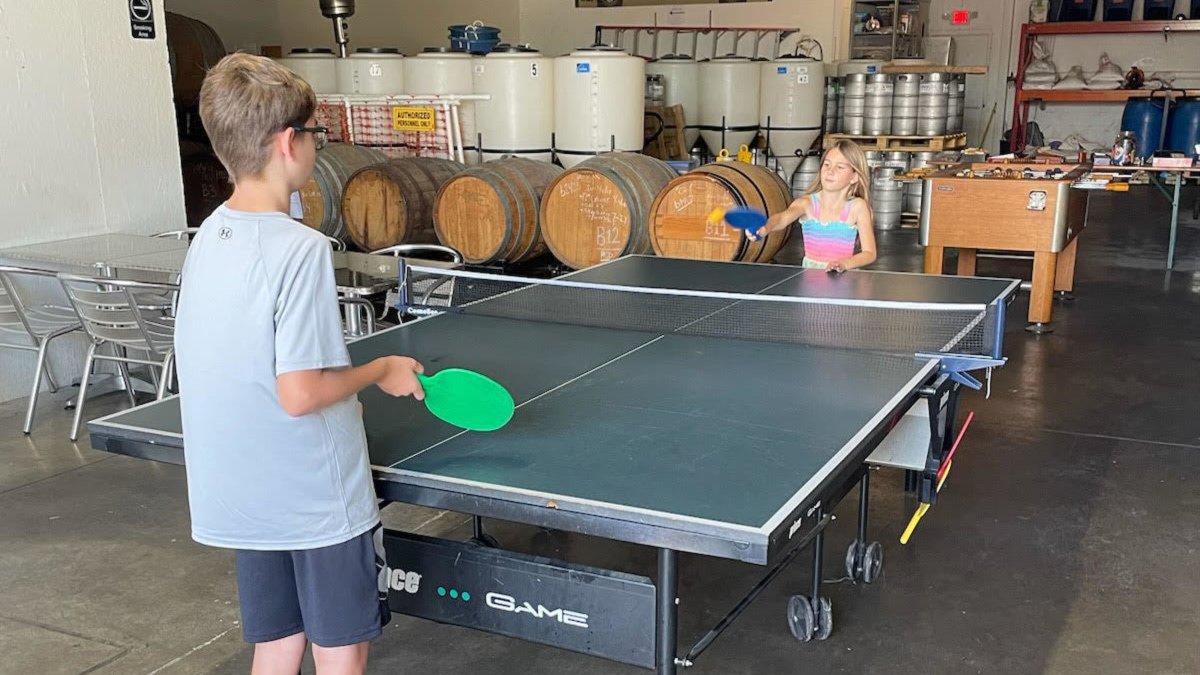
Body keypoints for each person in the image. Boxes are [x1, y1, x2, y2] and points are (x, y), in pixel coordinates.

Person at [174, 53, 425, 675]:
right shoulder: (302, 251)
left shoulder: (208, 236)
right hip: (313, 496)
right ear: (289, 142)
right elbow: (301, 392)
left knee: (278, 643)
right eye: (315, 133)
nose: (317, 145)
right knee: (341, 645)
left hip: (242, 490)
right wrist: (381, 368)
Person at [751, 140, 878, 273]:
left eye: (840, 167)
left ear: (854, 177)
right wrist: (766, 227)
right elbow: (782, 219)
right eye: (827, 164)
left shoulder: (857, 207)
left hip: (844, 281)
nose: (830, 171)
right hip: (811, 280)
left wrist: (843, 264)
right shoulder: (807, 203)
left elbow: (869, 253)